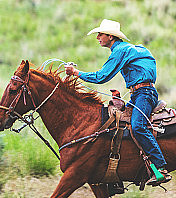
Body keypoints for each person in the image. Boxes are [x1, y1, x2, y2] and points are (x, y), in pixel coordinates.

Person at [65, 19, 171, 186]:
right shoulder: (127, 50)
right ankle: (115, 174)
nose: (97, 37)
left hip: (144, 94)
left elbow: (101, 77)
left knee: (138, 126)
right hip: (137, 94)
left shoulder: (121, 50)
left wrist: (76, 73)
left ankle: (160, 167)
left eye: (100, 34)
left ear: (110, 36)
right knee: (116, 125)